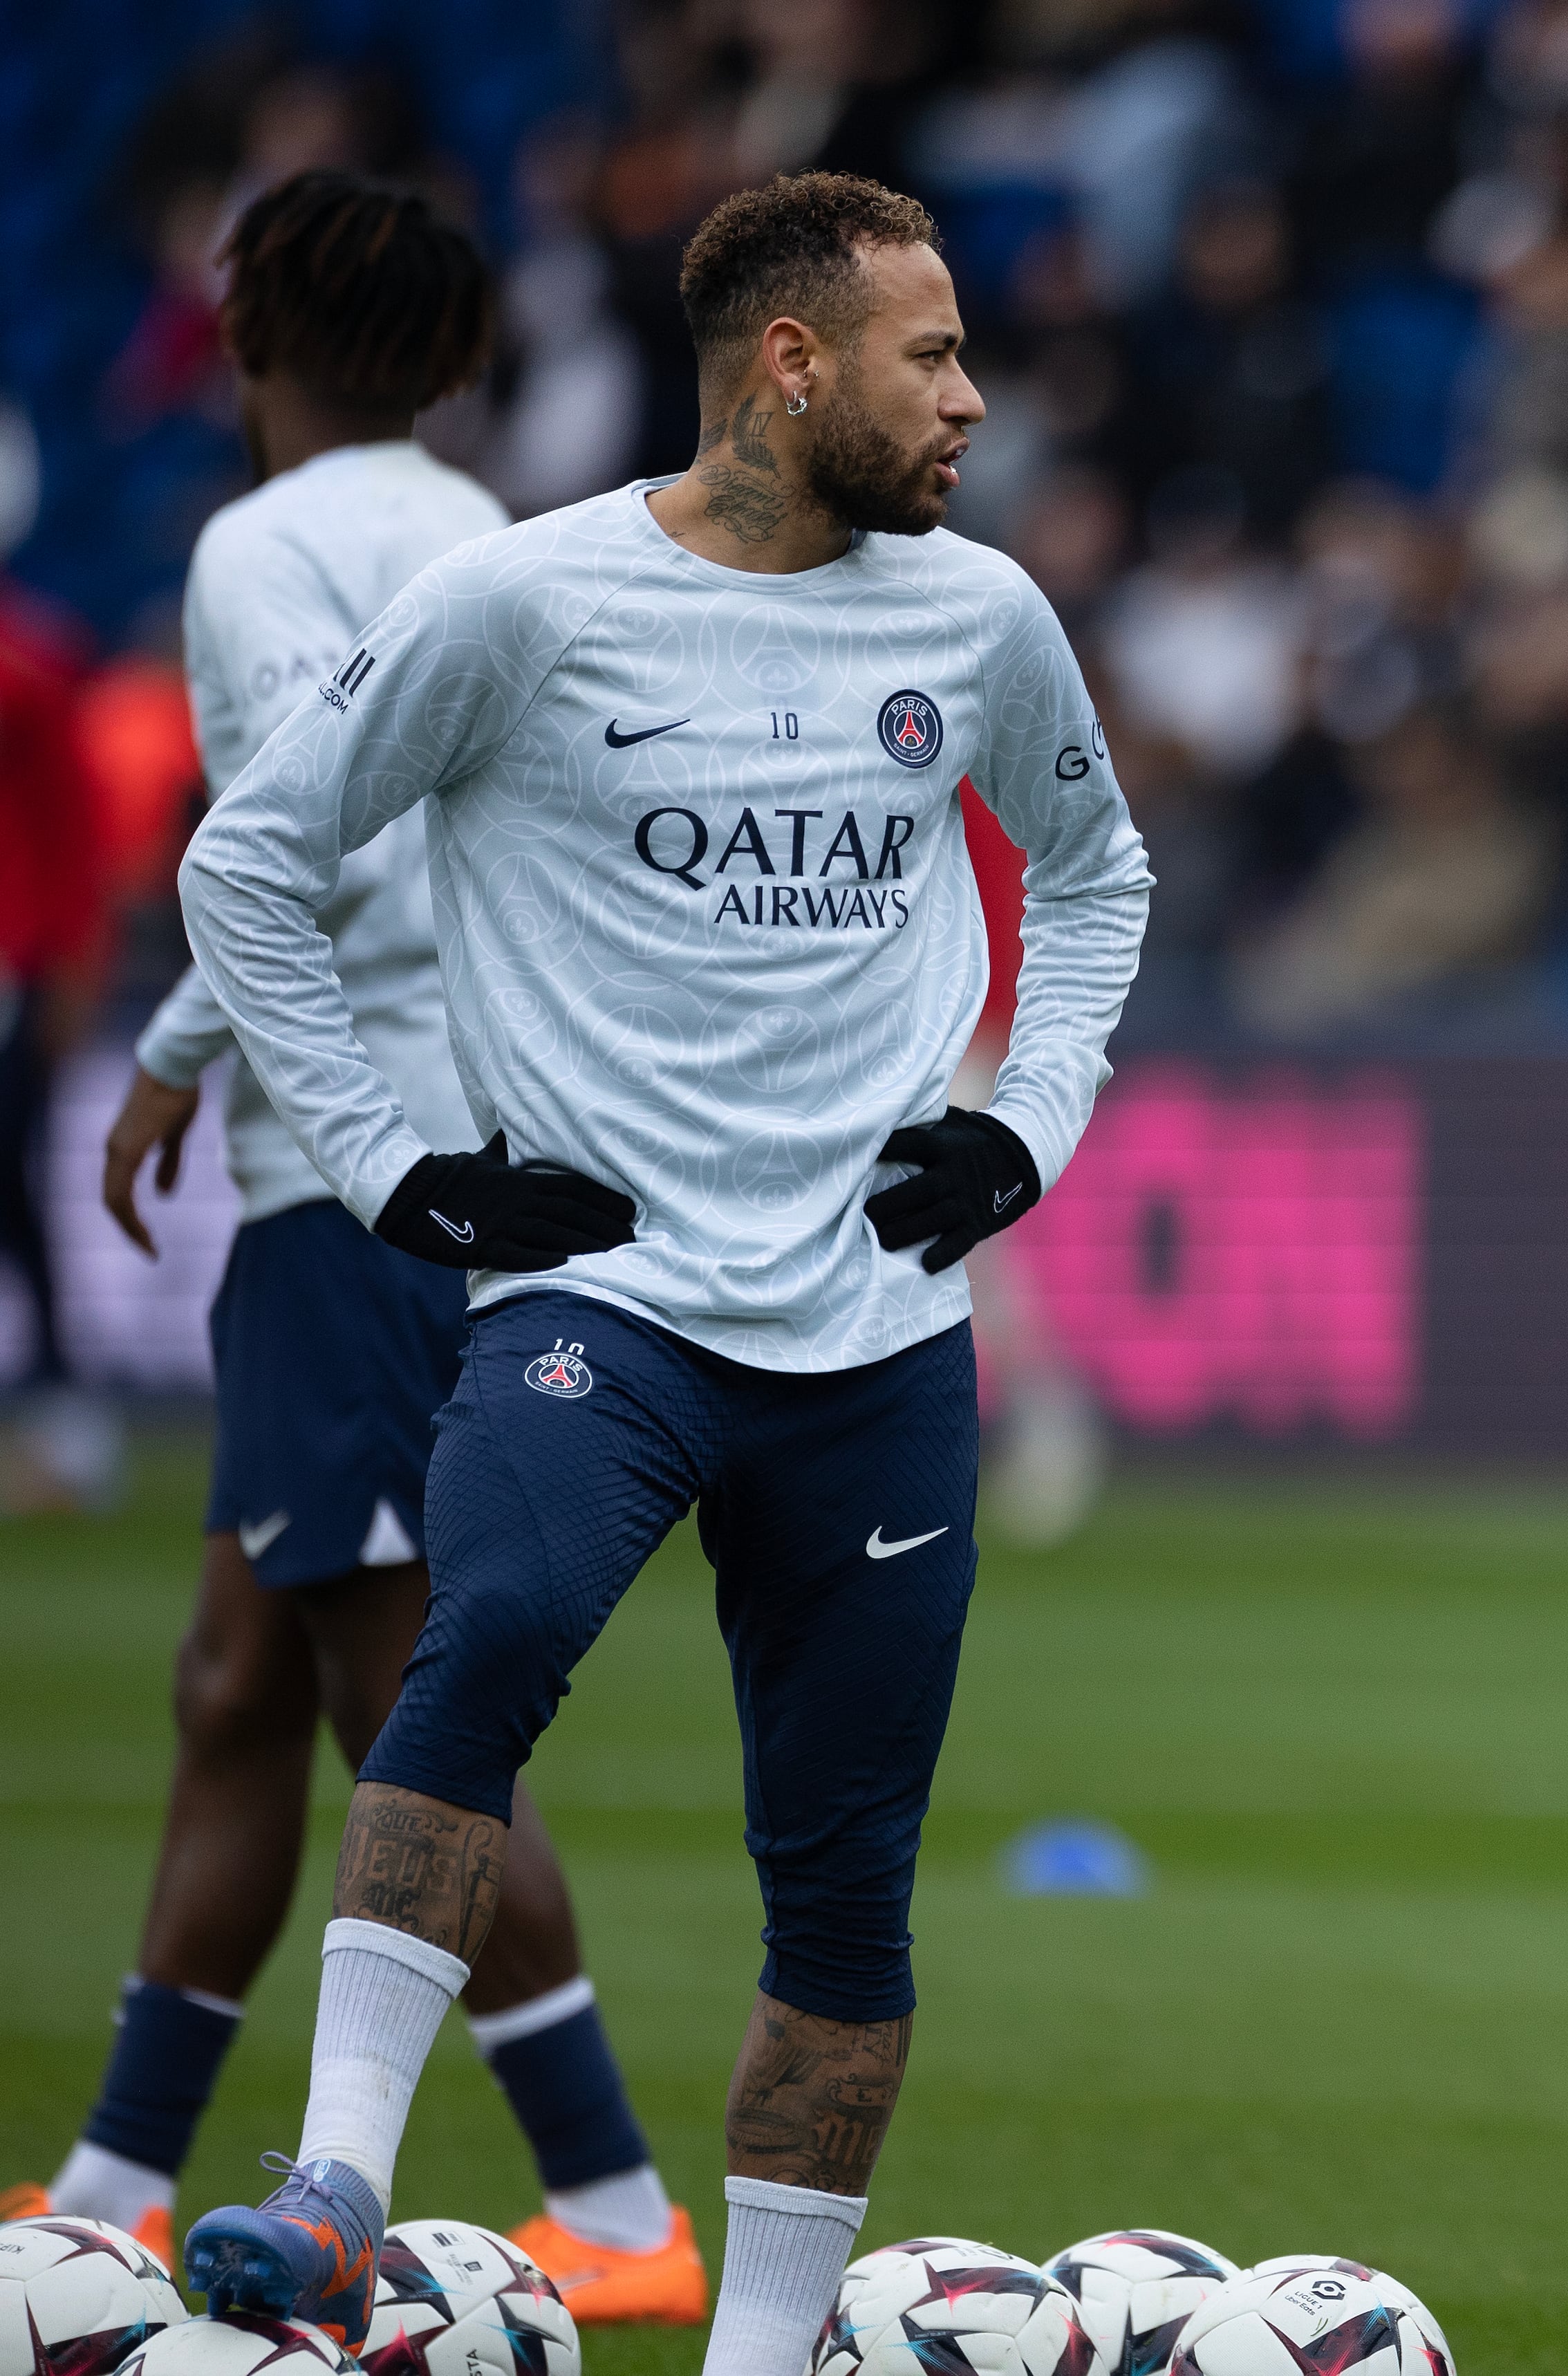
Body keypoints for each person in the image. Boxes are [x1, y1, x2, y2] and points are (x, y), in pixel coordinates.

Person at [166, 169, 1150, 2376]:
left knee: (846, 1874)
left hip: (882, 1334)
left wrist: (1028, 1121)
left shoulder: (979, 618)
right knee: (488, 1628)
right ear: (791, 366)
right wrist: (404, 1168)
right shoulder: (526, 605)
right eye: (934, 357)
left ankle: (758, 2349)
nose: (974, 399)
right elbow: (253, 868)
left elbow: (1095, 873)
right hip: (600, 1301)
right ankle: (333, 2183)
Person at [3, 170, 700, 2321]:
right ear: (470, 363)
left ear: (244, 351)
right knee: (239, 1681)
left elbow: (315, 818)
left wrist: (176, 1048)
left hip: (361, 1176)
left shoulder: (255, 549)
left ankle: (616, 2203)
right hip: (459, 1156)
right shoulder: (505, 546)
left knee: (405, 1697)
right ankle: (113, 2174)